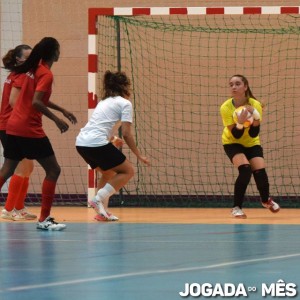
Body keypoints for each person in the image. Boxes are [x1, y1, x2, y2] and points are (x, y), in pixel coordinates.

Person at [0, 37, 77, 230]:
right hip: (28, 128)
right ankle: (44, 219)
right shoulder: (45, 73)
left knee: (7, 170)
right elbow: (36, 102)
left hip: (13, 127)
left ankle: (26, 211)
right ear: (54, 53)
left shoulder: (32, 70)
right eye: (58, 49)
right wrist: (57, 119)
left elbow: (37, 98)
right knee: (53, 170)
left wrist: (62, 110)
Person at [76, 70, 150, 221]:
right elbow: (127, 134)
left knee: (108, 173)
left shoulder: (104, 102)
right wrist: (138, 155)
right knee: (127, 171)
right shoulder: (125, 103)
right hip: (95, 143)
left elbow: (100, 127)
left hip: (82, 143)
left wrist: (112, 139)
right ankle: (97, 198)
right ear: (125, 87)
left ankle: (102, 212)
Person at [220, 74, 280, 218]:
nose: (234, 87)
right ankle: (236, 208)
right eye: (231, 84)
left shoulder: (255, 104)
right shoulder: (226, 107)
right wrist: (240, 122)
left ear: (245, 87)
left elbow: (253, 134)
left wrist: (256, 118)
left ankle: (266, 200)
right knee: (245, 170)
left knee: (260, 171)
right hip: (232, 142)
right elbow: (236, 135)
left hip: (251, 142)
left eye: (238, 84)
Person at [0, 44, 37, 221]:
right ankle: (8, 209)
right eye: (28, 57)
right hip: (11, 127)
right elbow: (15, 102)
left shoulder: (16, 74)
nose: (31, 60)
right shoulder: (21, 75)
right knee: (21, 169)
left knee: (28, 167)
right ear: (18, 59)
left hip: (11, 126)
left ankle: (19, 207)